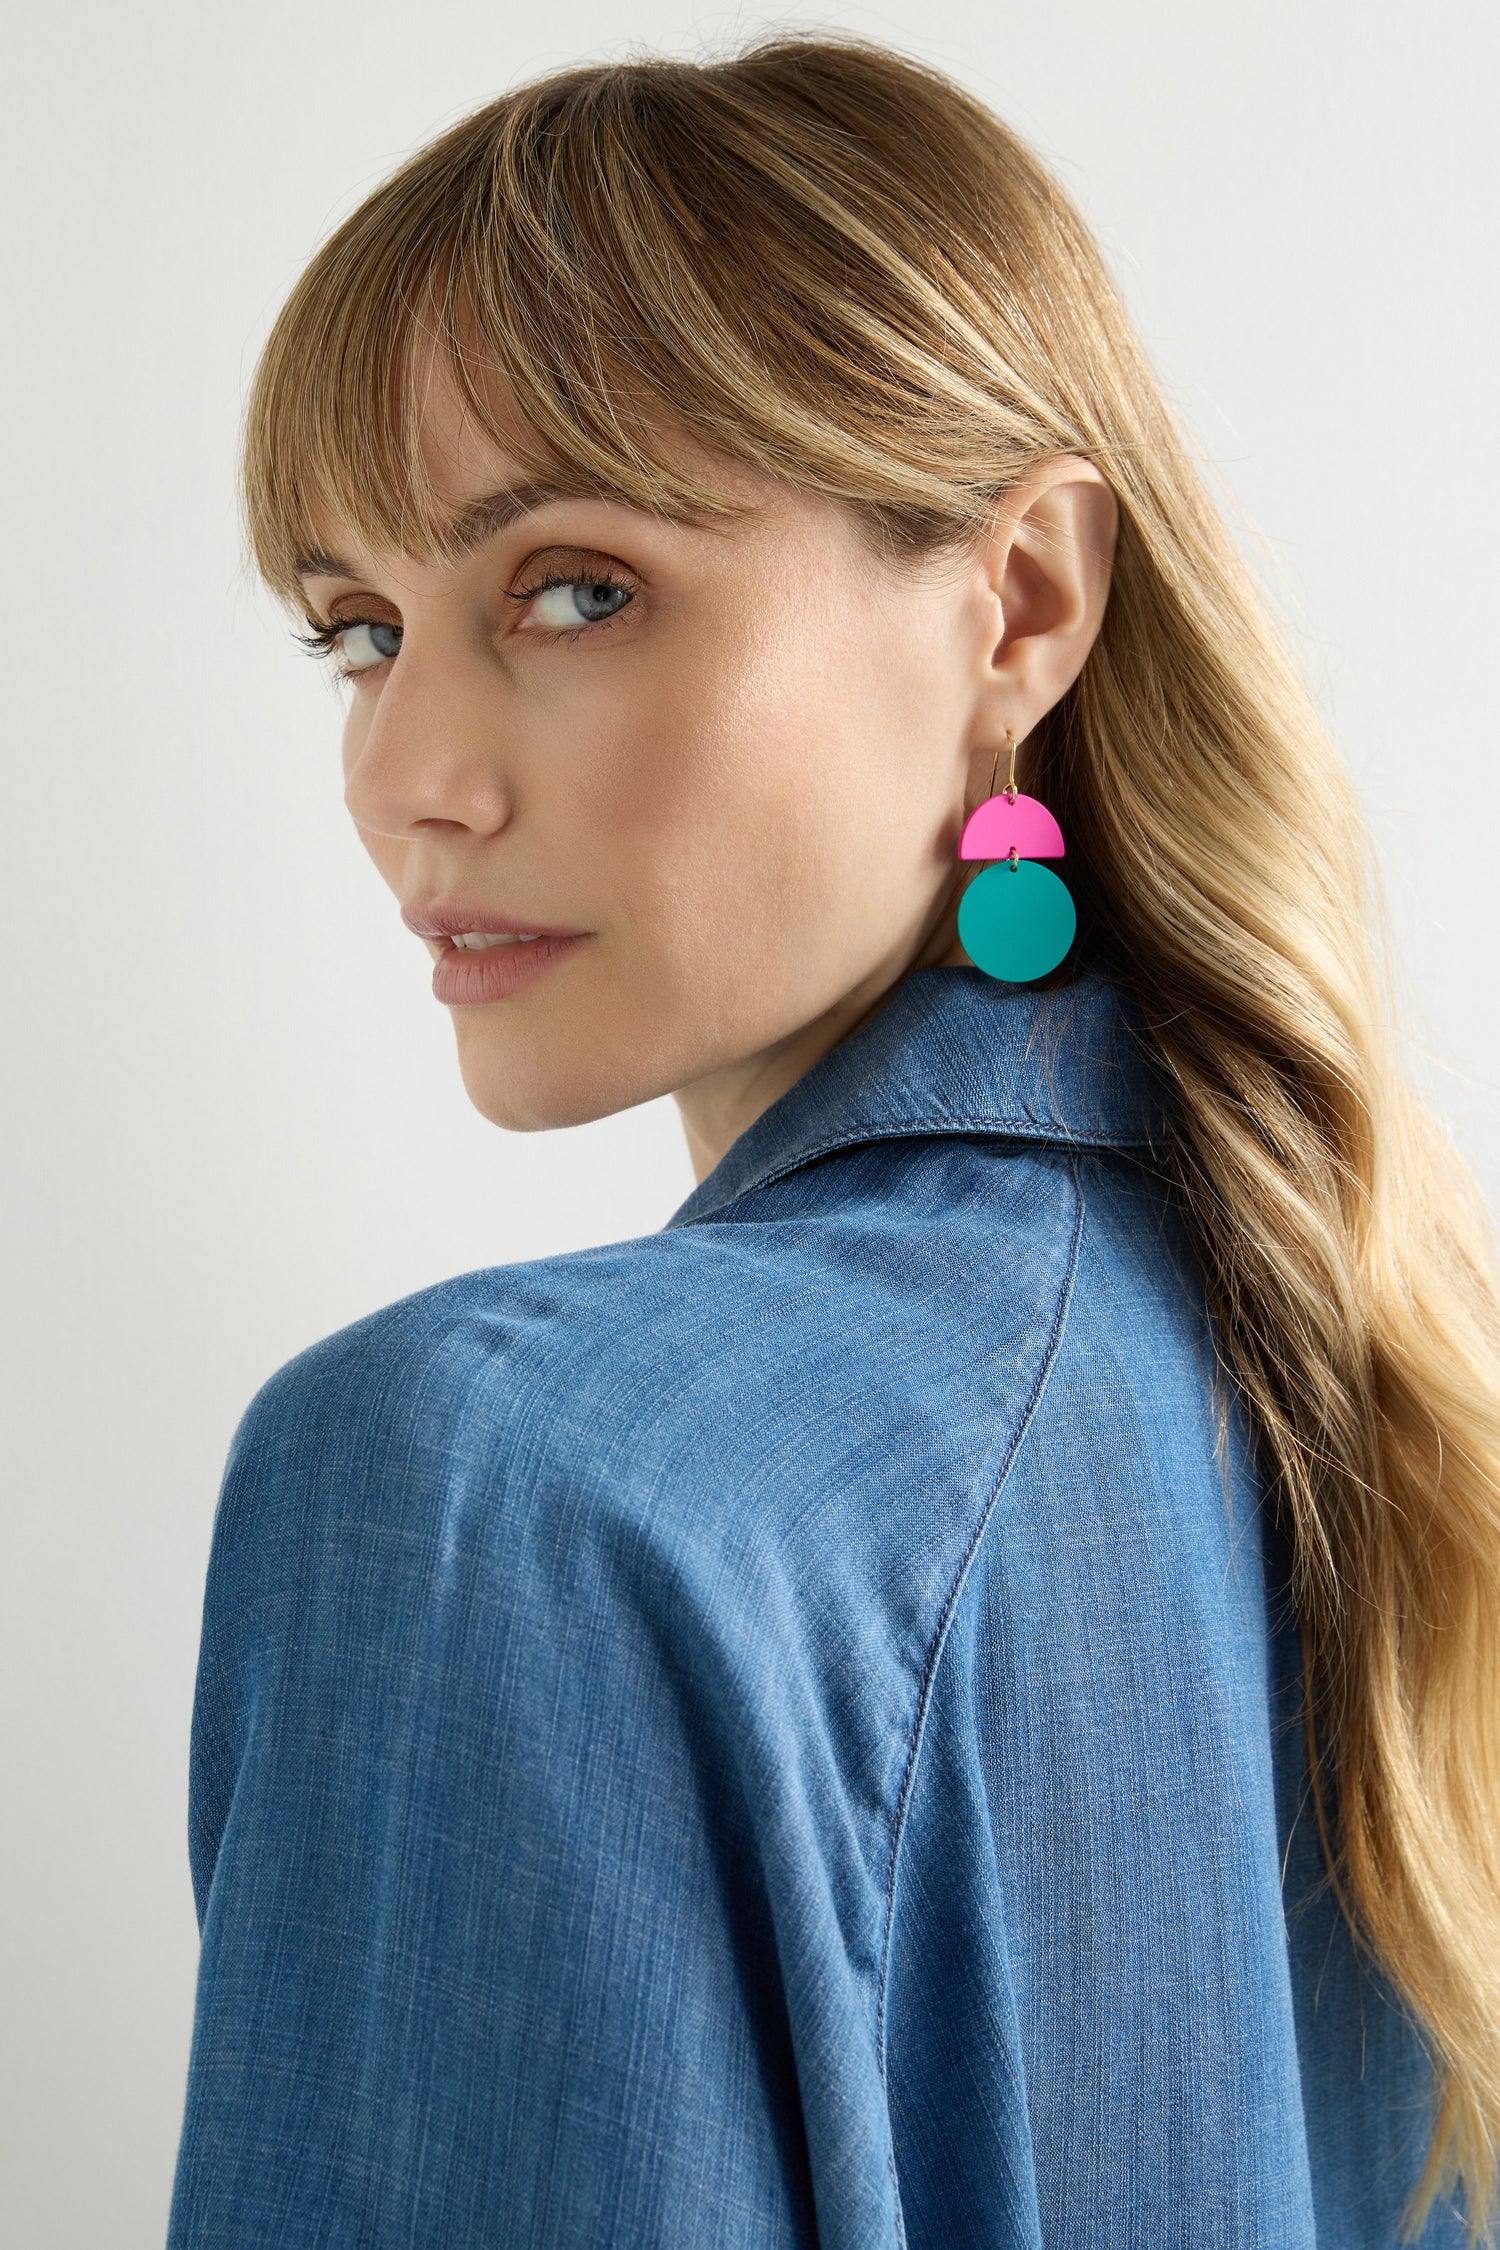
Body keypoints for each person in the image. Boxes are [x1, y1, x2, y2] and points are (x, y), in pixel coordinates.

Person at [167, 37, 1500, 2249]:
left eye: (572, 590)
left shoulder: (496, 1484)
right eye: (358, 633)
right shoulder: (1339, 1376)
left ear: (1023, 606)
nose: (410, 772)